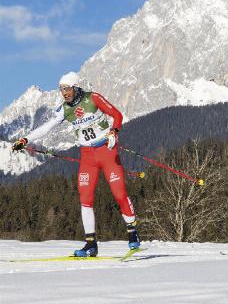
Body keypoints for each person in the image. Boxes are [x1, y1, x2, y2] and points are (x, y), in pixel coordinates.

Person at [11, 72, 139, 257]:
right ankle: (90, 244)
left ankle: (132, 232)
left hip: (107, 151)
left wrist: (114, 132)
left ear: (75, 87)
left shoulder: (93, 98)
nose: (65, 93)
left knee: (119, 193)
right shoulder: (65, 109)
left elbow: (117, 115)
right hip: (87, 156)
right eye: (62, 89)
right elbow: (47, 127)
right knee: (85, 198)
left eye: (67, 88)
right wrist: (26, 139)